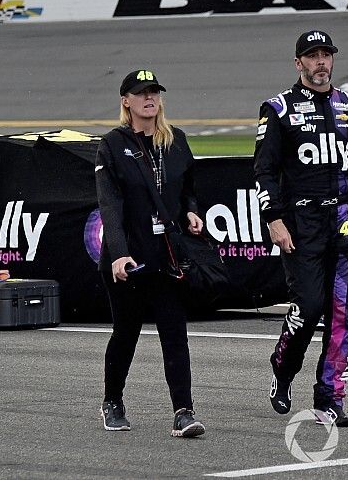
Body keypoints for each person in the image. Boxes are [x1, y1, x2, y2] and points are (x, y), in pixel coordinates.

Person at [253, 30, 348, 427]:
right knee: (309, 307)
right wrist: (273, 220)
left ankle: (330, 398)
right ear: (299, 63)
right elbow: (264, 171)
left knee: (342, 313)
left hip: (344, 223)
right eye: (312, 56)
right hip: (300, 224)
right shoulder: (277, 108)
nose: (321, 62)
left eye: (326, 54)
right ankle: (282, 364)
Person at [95, 69, 206, 437]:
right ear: (126, 100)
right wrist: (118, 254)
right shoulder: (112, 144)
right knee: (125, 331)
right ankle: (112, 401)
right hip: (128, 255)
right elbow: (109, 205)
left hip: (167, 256)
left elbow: (188, 188)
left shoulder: (177, 141)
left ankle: (184, 411)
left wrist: (191, 211)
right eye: (141, 93)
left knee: (175, 332)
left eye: (154, 92)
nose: (149, 98)